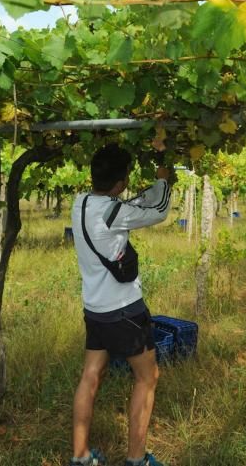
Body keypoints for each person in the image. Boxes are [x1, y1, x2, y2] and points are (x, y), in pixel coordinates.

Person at [70, 144, 173, 466]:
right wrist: (164, 182)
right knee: (147, 378)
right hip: (125, 311)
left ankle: (81, 456)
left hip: (95, 309)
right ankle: (136, 459)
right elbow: (158, 212)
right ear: (120, 182)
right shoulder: (115, 211)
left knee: (91, 375)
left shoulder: (81, 202)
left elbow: (125, 205)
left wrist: (151, 188)